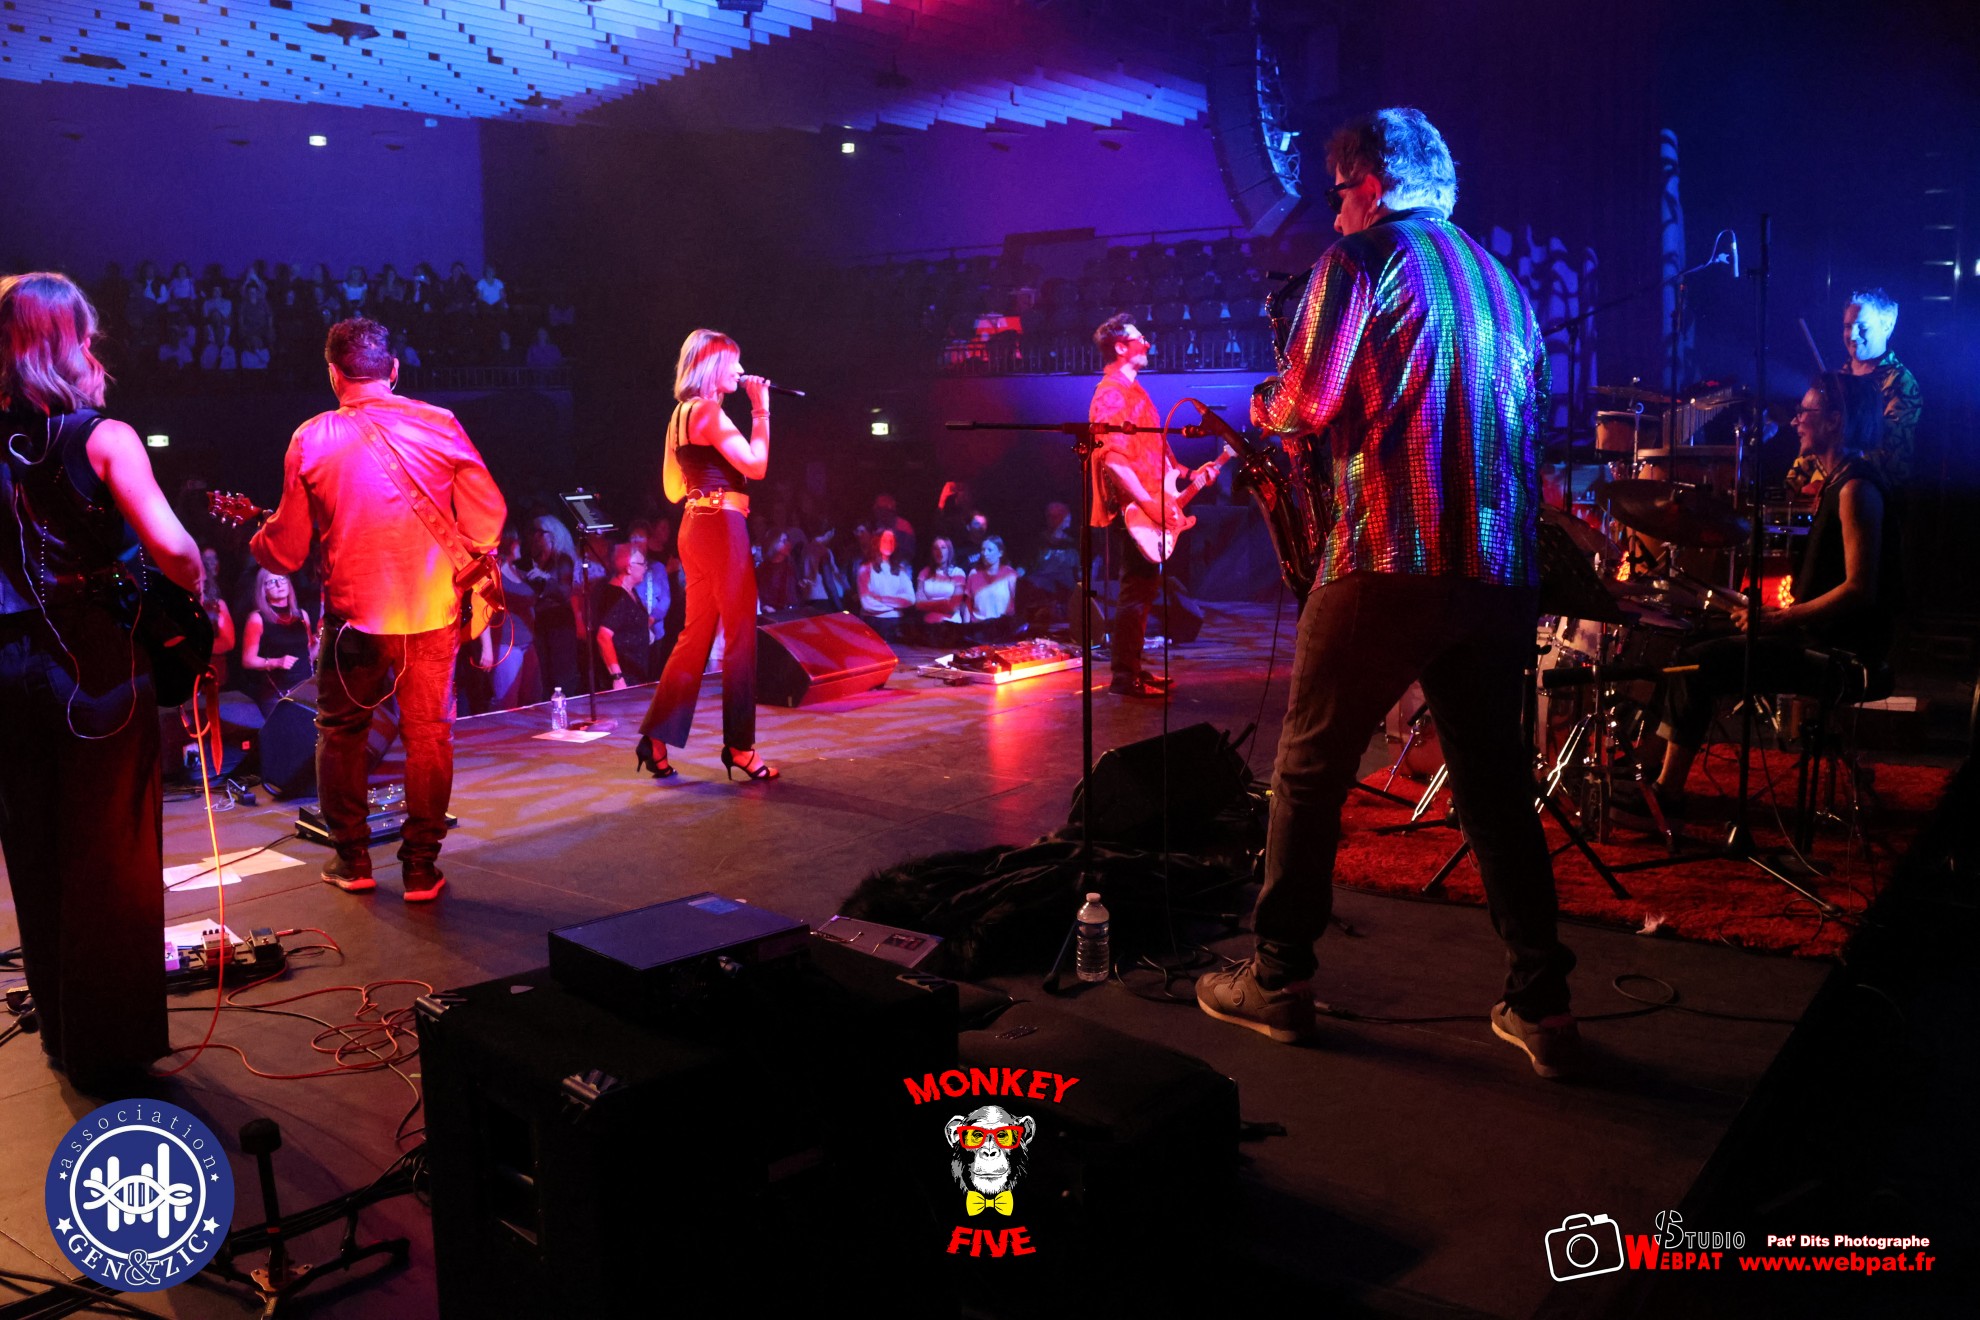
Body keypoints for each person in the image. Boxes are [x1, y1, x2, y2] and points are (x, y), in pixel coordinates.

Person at [1192, 109, 1580, 1078]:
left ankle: (1279, 978)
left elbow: (1307, 402)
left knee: (1310, 768)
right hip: (1497, 568)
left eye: (1338, 193)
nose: (1334, 214)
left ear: (1369, 184)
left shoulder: (1360, 260)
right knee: (1496, 786)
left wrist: (1263, 404)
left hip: (1387, 552)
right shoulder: (1505, 285)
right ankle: (1542, 1005)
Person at [0, 272, 204, 1093]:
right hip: (93, 665)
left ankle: (61, 1032)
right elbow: (177, 551)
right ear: (67, 344)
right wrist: (191, 591)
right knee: (111, 855)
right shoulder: (103, 437)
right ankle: (109, 1050)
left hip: (7, 666)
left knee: (35, 850)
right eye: (85, 335)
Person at [250, 317, 505, 901]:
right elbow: (488, 517)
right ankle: (420, 868)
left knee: (341, 733)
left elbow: (286, 552)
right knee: (429, 737)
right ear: (393, 370)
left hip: (354, 620)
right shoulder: (440, 423)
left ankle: (354, 861)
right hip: (433, 612)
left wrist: (260, 540)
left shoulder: (311, 438)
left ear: (333, 374)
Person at [1621, 373, 1898, 828]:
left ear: (1834, 420)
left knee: (1699, 663)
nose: (1795, 421)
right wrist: (1769, 614)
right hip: (1812, 635)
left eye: (1805, 412)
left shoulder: (1856, 490)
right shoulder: (1836, 483)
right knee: (1687, 640)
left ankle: (1667, 795)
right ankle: (1645, 771)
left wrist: (1779, 620)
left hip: (1842, 654)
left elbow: (1859, 589)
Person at [636, 329, 778, 782]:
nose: (741, 370)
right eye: (733, 362)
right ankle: (740, 746)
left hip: (694, 528)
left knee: (694, 637)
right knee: (740, 638)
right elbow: (757, 465)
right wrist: (760, 410)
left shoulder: (679, 415)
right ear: (714, 366)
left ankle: (656, 738)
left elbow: (672, 489)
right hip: (721, 527)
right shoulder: (710, 412)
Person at [1088, 312, 1203, 697]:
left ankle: (1132, 668)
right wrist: (1148, 505)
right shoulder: (1112, 393)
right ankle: (1124, 677)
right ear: (1121, 347)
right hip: (1136, 508)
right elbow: (1113, 460)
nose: (1148, 343)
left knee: (1143, 590)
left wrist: (1188, 473)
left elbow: (1153, 452)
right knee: (1135, 590)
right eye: (1139, 338)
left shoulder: (1135, 390)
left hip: (1151, 502)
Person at [1787, 289, 1921, 495]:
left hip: (1870, 496)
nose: (1852, 335)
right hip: (1824, 493)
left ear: (1887, 326)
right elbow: (1818, 436)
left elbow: (1888, 453)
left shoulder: (1901, 383)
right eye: (1848, 326)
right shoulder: (1840, 377)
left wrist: (1831, 483)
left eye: (1862, 326)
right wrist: (1791, 484)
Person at [239, 568, 315, 716]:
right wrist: (276, 662)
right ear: (263, 589)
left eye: (282, 579)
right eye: (272, 582)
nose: (279, 585)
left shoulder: (302, 615)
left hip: (305, 690)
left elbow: (309, 655)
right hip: (277, 694)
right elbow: (248, 660)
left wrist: (319, 641)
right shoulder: (258, 618)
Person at [592, 541, 653, 688]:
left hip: (635, 670)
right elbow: (603, 637)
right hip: (625, 677)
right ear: (629, 568)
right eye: (642, 564)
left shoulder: (629, 590)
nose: (645, 568)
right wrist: (617, 676)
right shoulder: (617, 597)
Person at [856, 528, 915, 642]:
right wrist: (895, 606)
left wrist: (881, 599)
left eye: (891, 541)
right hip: (874, 623)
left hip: (896, 624)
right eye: (885, 540)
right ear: (877, 542)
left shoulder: (901, 570)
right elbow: (867, 603)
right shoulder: (865, 569)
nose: (889, 544)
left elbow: (910, 599)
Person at [915, 535, 969, 647]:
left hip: (951, 628)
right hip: (929, 629)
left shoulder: (957, 572)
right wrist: (944, 604)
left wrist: (929, 605)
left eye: (943, 547)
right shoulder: (924, 573)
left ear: (949, 550)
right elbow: (919, 603)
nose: (939, 551)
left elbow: (954, 606)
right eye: (936, 548)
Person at [964, 534, 1019, 643]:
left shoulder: (1010, 574)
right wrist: (966, 629)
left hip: (1002, 630)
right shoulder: (974, 574)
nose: (985, 553)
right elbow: (968, 605)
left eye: (990, 550)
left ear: (1000, 553)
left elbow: (1018, 603)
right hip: (979, 629)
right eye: (983, 550)